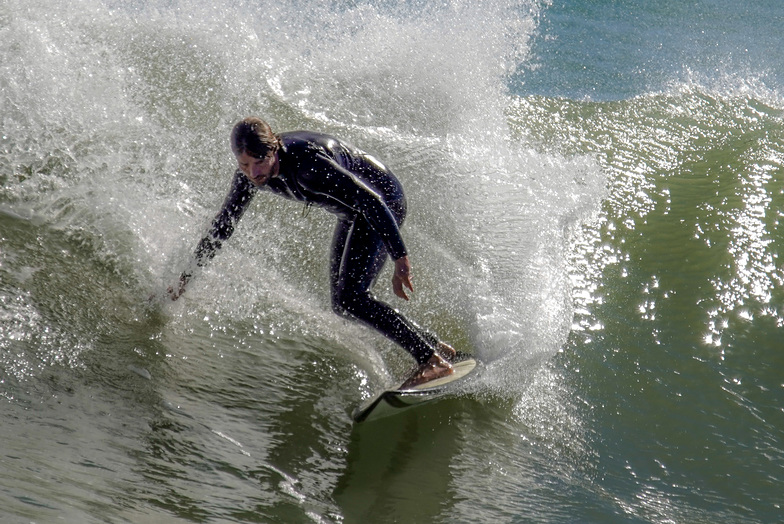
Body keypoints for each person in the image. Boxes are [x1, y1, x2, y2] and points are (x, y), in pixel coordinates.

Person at [168, 117, 455, 387]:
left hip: (382, 203)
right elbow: (222, 226)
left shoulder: (308, 165)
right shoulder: (249, 176)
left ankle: (432, 361)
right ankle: (432, 344)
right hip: (354, 214)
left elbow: (372, 200)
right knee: (343, 303)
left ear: (274, 150)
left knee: (353, 298)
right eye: (244, 165)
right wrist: (187, 276)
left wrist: (400, 258)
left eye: (259, 162)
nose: (254, 173)